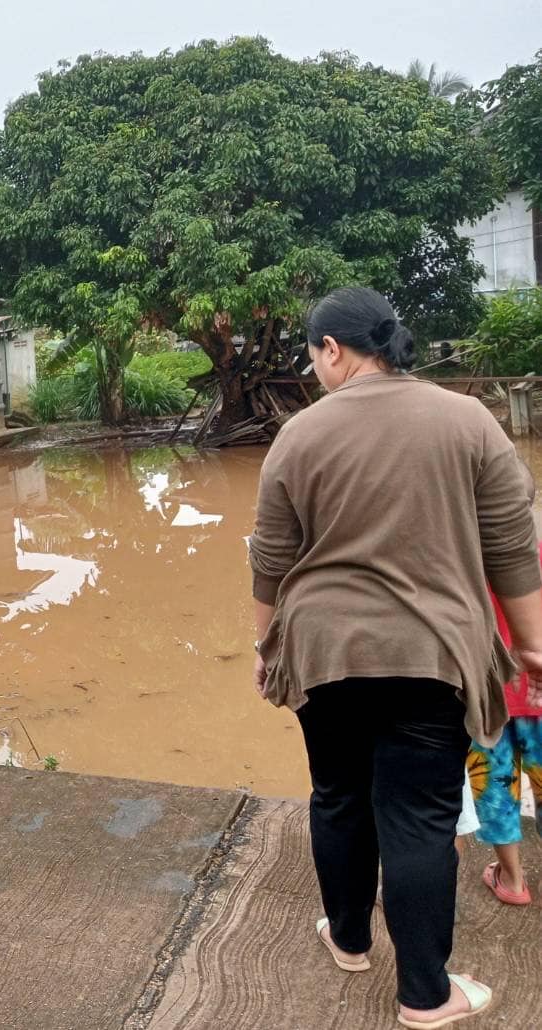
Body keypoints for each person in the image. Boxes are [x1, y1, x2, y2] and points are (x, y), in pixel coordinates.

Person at [249, 287, 542, 1029]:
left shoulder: (298, 436)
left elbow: (270, 564)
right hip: (432, 651)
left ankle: (347, 941)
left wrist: (266, 649)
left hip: (322, 651)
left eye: (312, 353)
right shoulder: (468, 420)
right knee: (417, 816)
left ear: (334, 349)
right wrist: (533, 645)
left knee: (339, 795)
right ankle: (425, 995)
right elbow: (513, 544)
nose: (313, 368)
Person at [467, 541, 542, 906]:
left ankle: (513, 881)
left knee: (496, 790)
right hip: (538, 693)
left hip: (486, 699)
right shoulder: (535, 556)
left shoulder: (462, 559)